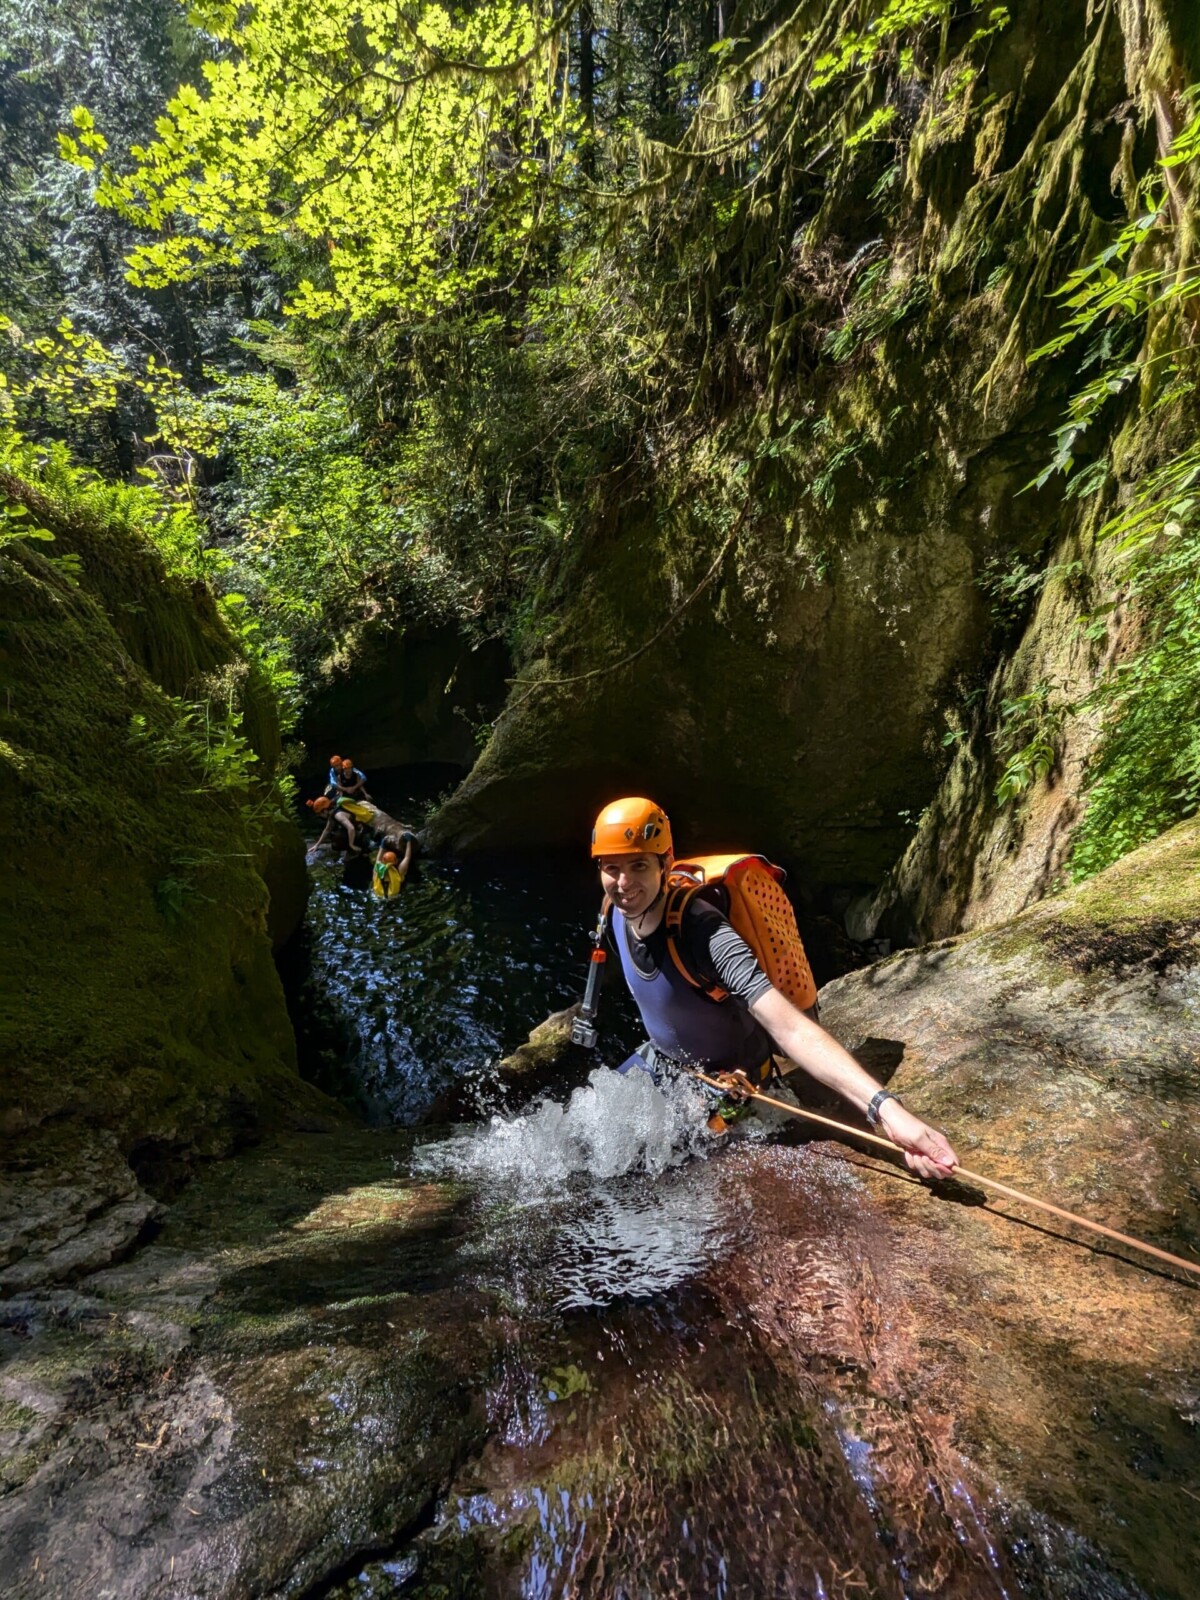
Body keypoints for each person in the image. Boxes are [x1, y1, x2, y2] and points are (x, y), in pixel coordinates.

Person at [591, 796, 958, 1180]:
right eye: (612, 868)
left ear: (665, 862)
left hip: (730, 1081)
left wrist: (888, 1111)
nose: (624, 883)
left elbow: (790, 1026)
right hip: (663, 1061)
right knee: (592, 1137)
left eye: (638, 866)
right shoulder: (612, 910)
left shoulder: (704, 934)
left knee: (658, 1175)